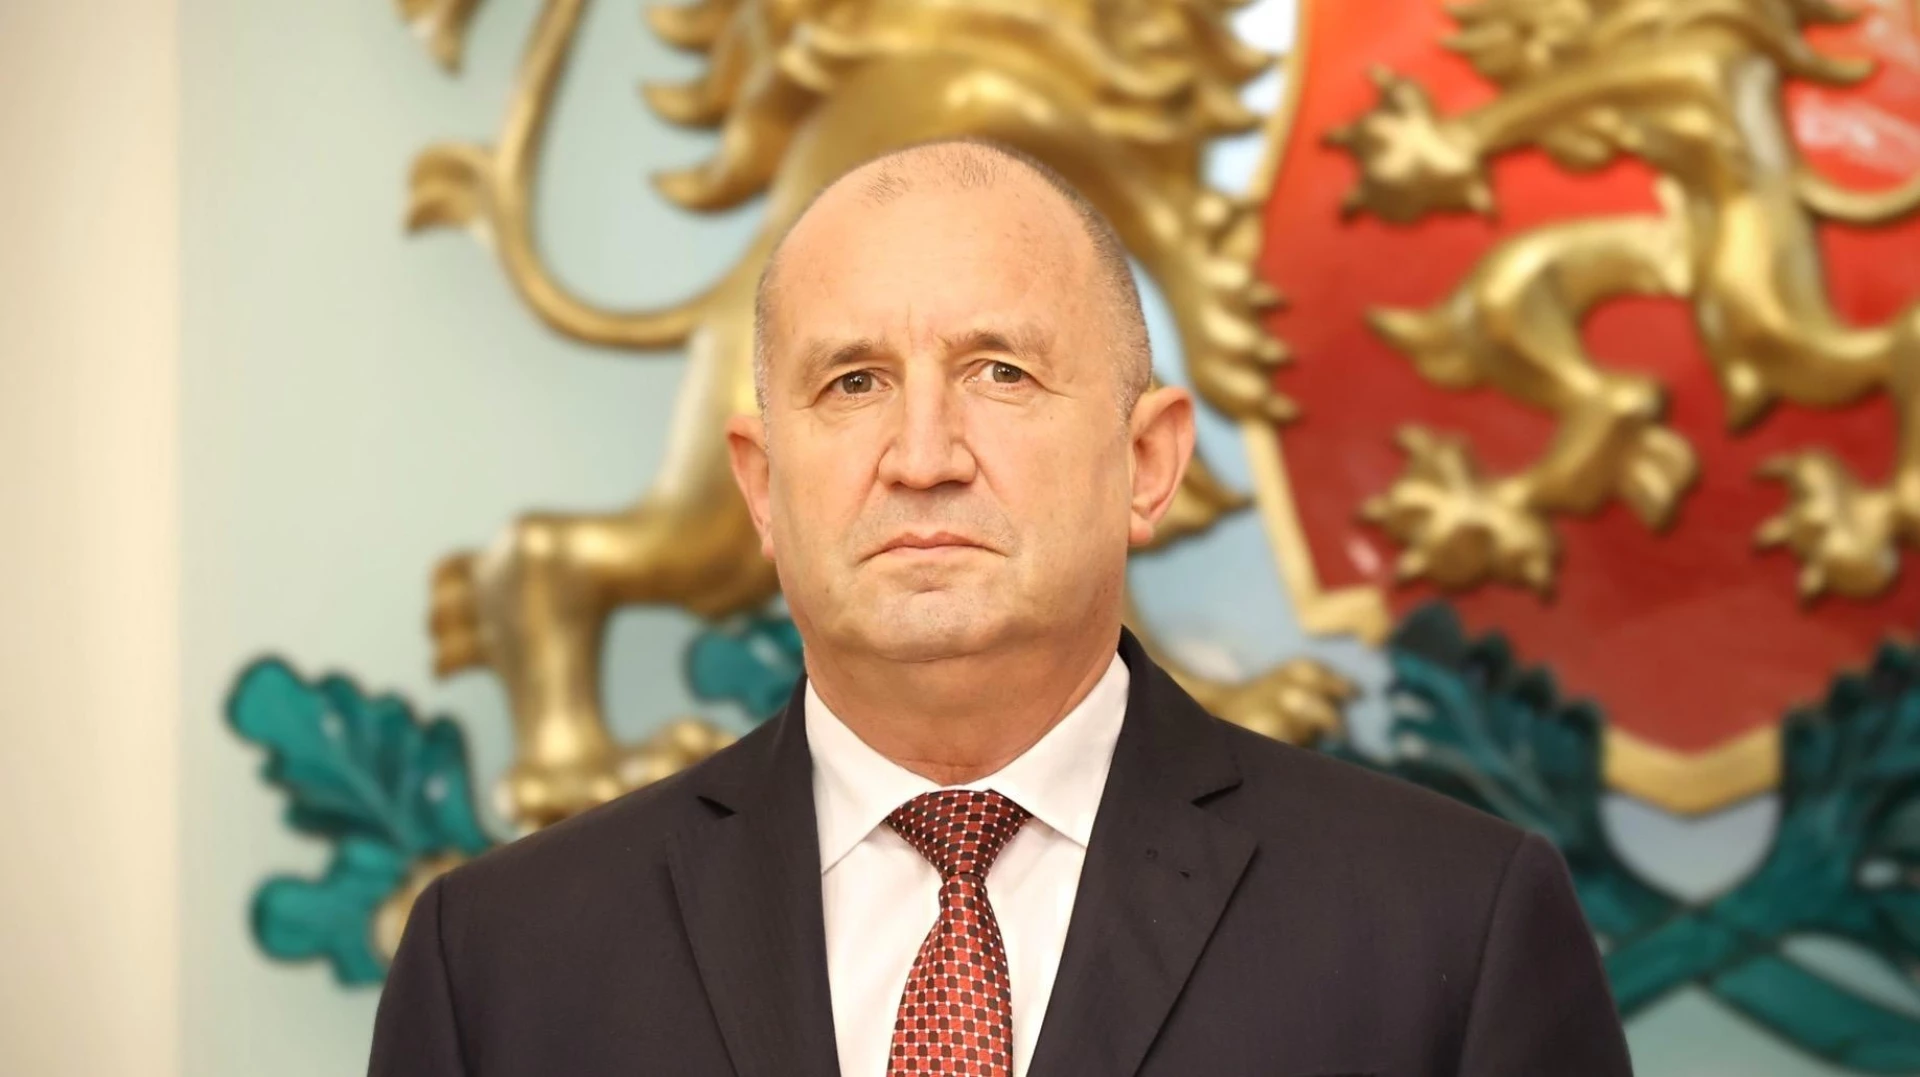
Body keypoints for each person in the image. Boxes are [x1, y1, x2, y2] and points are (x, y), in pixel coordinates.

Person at [368, 139, 1633, 1077]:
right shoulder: (500, 964)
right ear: (759, 486)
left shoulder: (1451, 930)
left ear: (1148, 461)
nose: (924, 455)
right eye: (854, 382)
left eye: (1001, 372)